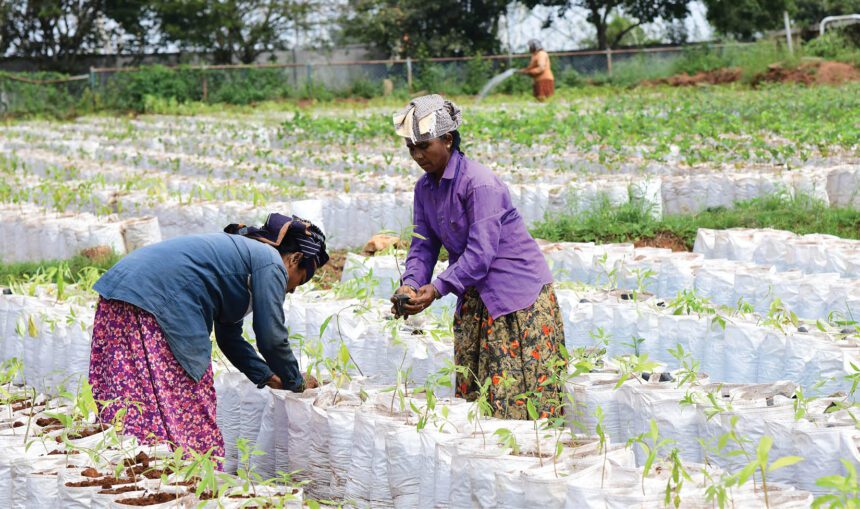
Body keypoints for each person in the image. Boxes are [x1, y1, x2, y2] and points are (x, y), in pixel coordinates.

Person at [88, 213, 326, 460]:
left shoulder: (245, 259)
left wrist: (266, 376)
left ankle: (139, 468)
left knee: (137, 399)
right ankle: (192, 475)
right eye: (302, 278)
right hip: (156, 303)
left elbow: (229, 338)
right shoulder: (270, 262)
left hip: (121, 294)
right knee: (187, 404)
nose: (295, 288)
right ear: (295, 258)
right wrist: (293, 380)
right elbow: (271, 337)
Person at [390, 95, 565, 420]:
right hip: (474, 294)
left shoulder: (479, 184)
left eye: (423, 145)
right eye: (410, 147)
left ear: (447, 139)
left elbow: (481, 253)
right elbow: (423, 245)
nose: (416, 155)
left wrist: (439, 288)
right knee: (477, 399)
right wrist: (411, 284)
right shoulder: (424, 189)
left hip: (515, 298)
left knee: (516, 401)